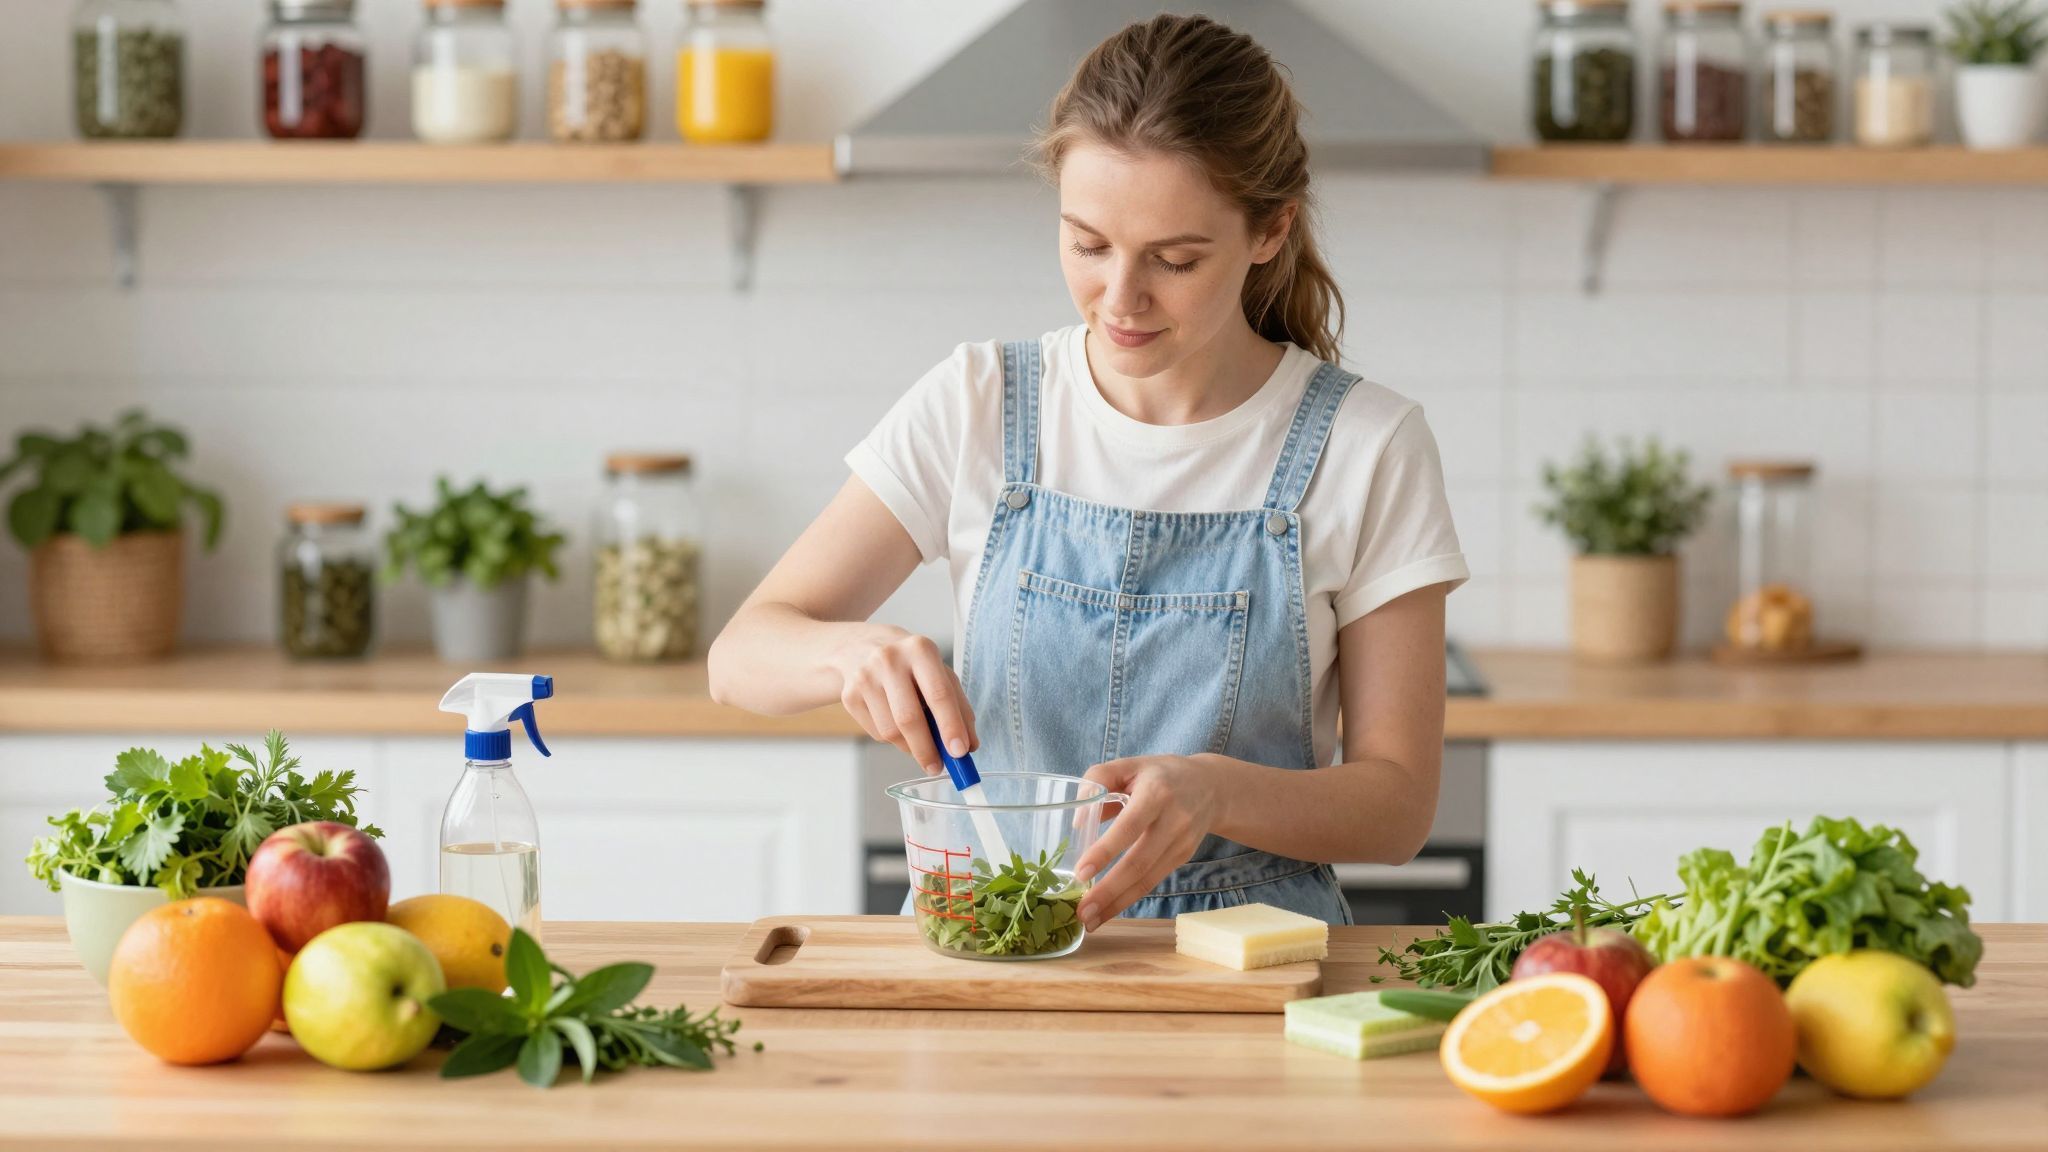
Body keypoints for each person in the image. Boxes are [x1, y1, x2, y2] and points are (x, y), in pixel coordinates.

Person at [709, 13, 1468, 929]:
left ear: (1271, 230)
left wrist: (1216, 794)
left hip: (1249, 970)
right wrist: (847, 651)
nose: (1121, 299)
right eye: (1087, 244)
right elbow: (738, 659)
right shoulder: (978, 403)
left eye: (1175, 259)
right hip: (991, 942)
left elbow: (1397, 807)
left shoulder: (1367, 444)